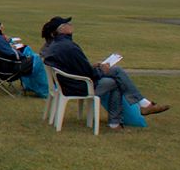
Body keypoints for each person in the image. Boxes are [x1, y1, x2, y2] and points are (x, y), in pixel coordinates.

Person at [42, 16, 171, 131]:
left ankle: (125, 117)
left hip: (68, 84)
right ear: (62, 30)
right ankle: (139, 107)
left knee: (114, 79)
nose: (71, 25)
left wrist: (95, 67)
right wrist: (101, 70)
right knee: (117, 73)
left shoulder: (57, 45)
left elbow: (76, 68)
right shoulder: (69, 47)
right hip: (79, 86)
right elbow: (87, 73)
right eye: (67, 24)